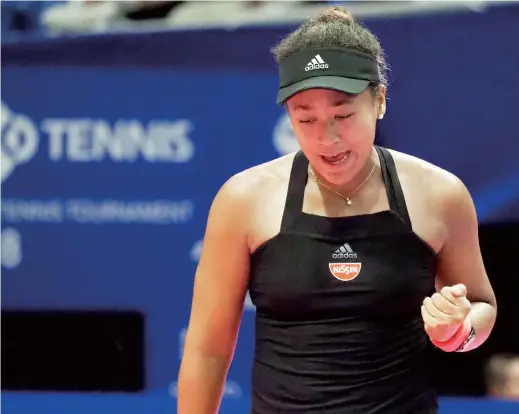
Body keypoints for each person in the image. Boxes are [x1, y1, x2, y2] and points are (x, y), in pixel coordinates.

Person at [177, 6, 497, 413]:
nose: (327, 137)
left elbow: (482, 307)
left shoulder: (440, 194)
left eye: (343, 115)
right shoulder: (243, 200)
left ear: (379, 100)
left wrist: (459, 330)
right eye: (304, 118)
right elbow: (207, 350)